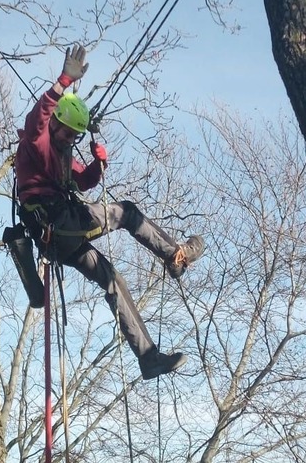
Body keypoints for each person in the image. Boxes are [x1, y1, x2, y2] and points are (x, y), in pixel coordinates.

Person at [14, 44, 205, 380]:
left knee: (112, 279)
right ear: (56, 123)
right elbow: (38, 116)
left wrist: (98, 163)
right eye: (66, 132)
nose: (68, 138)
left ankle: (148, 358)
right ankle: (177, 257)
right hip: (56, 224)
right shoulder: (37, 141)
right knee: (126, 213)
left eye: (74, 136)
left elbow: (84, 182)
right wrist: (63, 81)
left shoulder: (60, 153)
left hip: (62, 233)